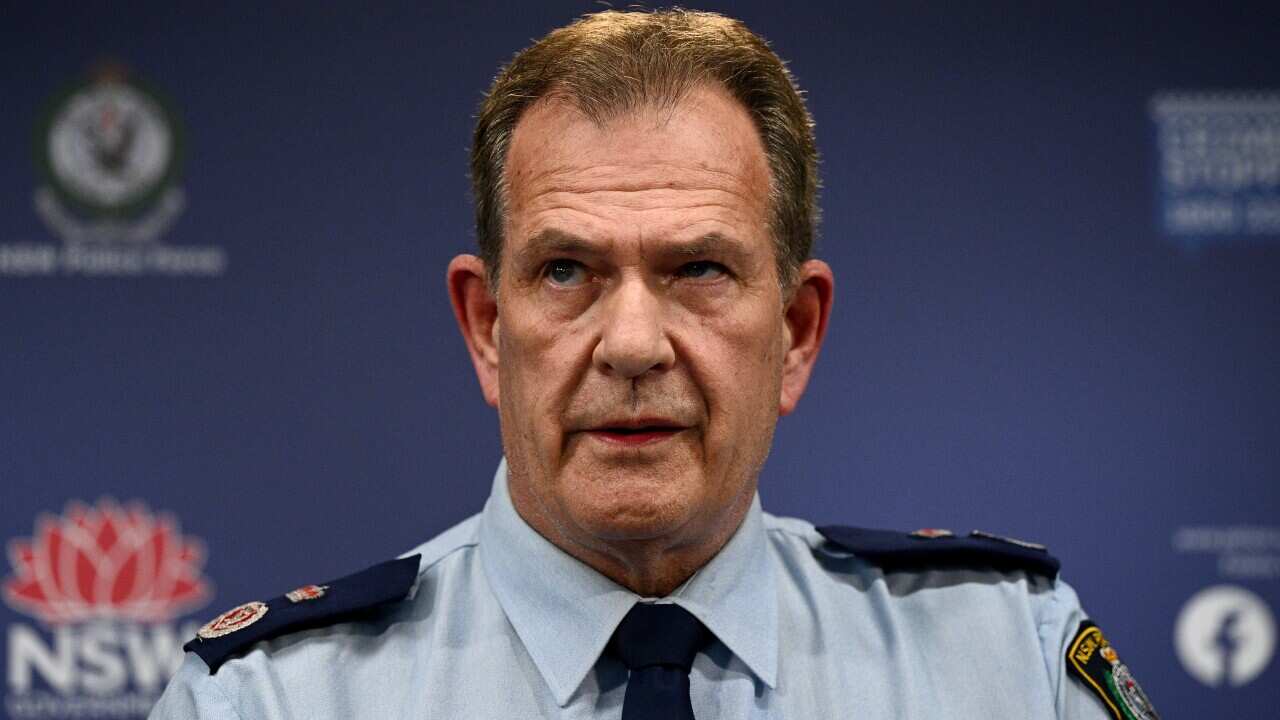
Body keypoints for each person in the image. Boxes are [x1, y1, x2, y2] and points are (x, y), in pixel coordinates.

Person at [150, 9, 1156, 720]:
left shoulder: (1006, 662)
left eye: (699, 269)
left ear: (796, 333)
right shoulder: (268, 701)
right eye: (565, 271)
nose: (632, 344)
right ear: (486, 327)